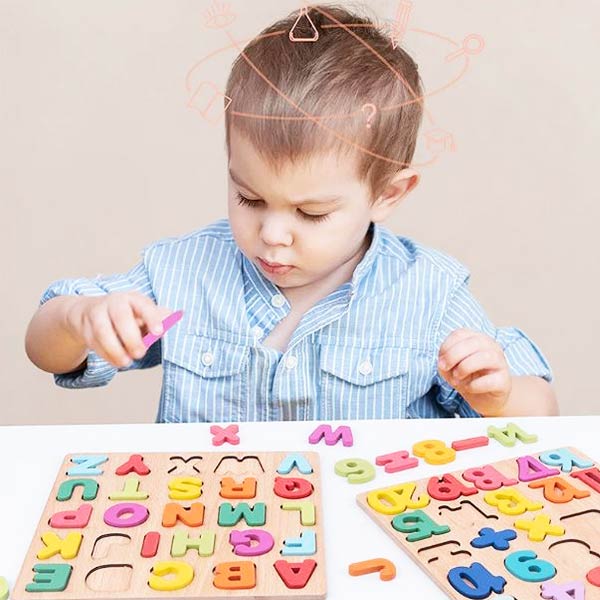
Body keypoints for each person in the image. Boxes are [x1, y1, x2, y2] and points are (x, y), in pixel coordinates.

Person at [24, 4, 558, 422]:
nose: (273, 235)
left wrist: (498, 393)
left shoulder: (429, 292)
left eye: (312, 213)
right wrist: (79, 319)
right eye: (250, 199)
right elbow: (46, 351)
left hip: (371, 544)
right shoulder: (181, 271)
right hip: (217, 537)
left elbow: (543, 413)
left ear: (388, 195)